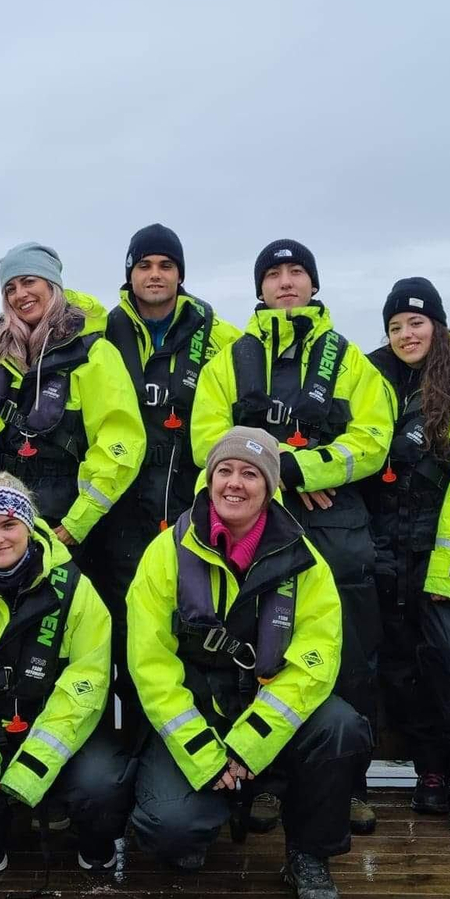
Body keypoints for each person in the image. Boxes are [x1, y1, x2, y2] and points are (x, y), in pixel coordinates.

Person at [127, 427, 372, 899]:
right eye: (225, 470)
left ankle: (308, 854)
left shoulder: (306, 561)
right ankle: (202, 823)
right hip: (197, 713)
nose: (234, 484)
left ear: (271, 487)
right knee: (170, 829)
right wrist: (204, 752)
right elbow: (149, 664)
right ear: (208, 479)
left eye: (250, 473)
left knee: (341, 727)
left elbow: (315, 661)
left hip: (268, 712)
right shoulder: (166, 553)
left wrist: (250, 743)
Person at [190, 240, 391, 834]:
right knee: (264, 654)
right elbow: (208, 444)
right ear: (259, 288)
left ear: (313, 282)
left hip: (338, 531)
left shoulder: (349, 359)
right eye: (273, 274)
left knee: (351, 659)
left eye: (296, 271)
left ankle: (347, 785)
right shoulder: (230, 358)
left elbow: (373, 439)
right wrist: (276, 481)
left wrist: (307, 467)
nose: (285, 282)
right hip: (257, 529)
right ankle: (271, 783)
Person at [0, 473, 136, 875]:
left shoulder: (77, 589)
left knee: (104, 783)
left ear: (29, 526)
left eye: (8, 525)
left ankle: (94, 845)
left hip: (61, 730)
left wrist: (37, 760)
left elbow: (86, 682)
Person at [363, 278, 450, 838]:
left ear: (437, 325)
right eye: (395, 326)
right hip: (387, 552)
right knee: (405, 672)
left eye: (416, 322)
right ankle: (430, 773)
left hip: (448, 555)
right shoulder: (371, 378)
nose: (405, 334)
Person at [93, 224, 241, 736]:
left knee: (189, 633)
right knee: (125, 633)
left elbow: (259, 397)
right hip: (119, 511)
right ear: (129, 274)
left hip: (193, 505)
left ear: (180, 274)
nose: (154, 275)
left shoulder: (220, 335)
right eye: (144, 266)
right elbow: (43, 304)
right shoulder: (102, 331)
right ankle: (131, 756)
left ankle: (188, 750)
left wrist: (284, 466)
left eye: (165, 266)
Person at [0, 242, 145, 554]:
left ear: (52, 285)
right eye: (10, 287)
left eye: (28, 282)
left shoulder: (94, 353)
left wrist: (77, 522)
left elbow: (121, 439)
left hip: (60, 519)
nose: (19, 294)